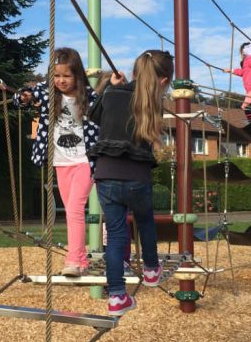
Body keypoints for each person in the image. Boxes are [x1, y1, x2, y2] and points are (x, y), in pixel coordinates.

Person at [88, 49, 174, 316]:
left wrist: (109, 87)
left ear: (134, 71)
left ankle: (116, 296)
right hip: (137, 175)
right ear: (163, 81)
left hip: (106, 173)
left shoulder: (113, 94)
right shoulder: (152, 102)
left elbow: (93, 115)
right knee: (145, 221)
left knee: (116, 236)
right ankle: (151, 270)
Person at [13, 48, 98, 277]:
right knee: (70, 210)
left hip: (85, 160)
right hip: (61, 161)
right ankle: (82, 261)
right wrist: (23, 97)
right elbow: (21, 98)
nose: (61, 80)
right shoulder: (46, 92)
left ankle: (73, 261)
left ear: (77, 75)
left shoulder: (88, 96)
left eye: (66, 76)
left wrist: (114, 86)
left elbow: (105, 111)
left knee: (75, 208)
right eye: (56, 75)